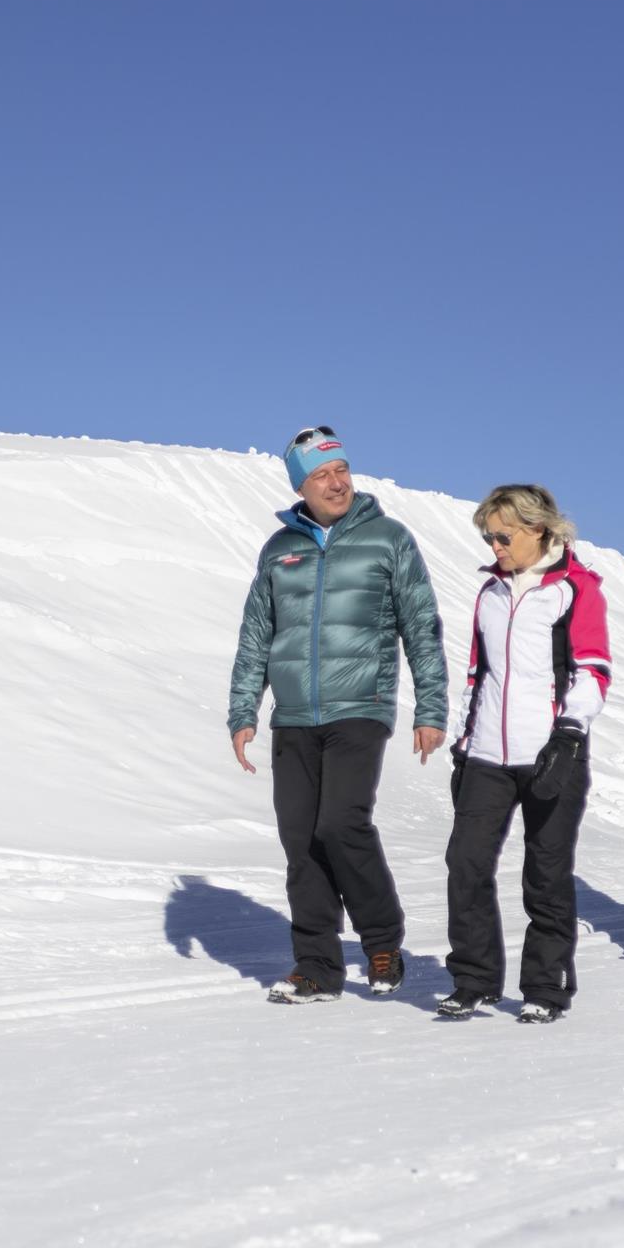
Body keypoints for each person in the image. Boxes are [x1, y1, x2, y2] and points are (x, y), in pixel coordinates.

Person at [227, 425, 448, 1004]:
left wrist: (431, 707)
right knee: (301, 840)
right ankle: (317, 966)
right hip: (294, 714)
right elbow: (257, 633)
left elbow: (421, 626)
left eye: (341, 469)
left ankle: (382, 943)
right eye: (321, 474)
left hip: (361, 705)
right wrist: (243, 708)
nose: (336, 482)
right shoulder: (280, 550)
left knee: (340, 824)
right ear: (301, 484)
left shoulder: (388, 539)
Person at [440, 485, 612, 1024]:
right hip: (488, 752)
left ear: (538, 530)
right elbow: (477, 674)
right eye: (489, 536)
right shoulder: (489, 593)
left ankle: (545, 985)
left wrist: (568, 733)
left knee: (545, 873)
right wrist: (464, 745)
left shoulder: (576, 590)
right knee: (464, 864)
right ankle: (474, 979)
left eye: (503, 535)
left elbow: (593, 671)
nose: (495, 545)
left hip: (551, 751)